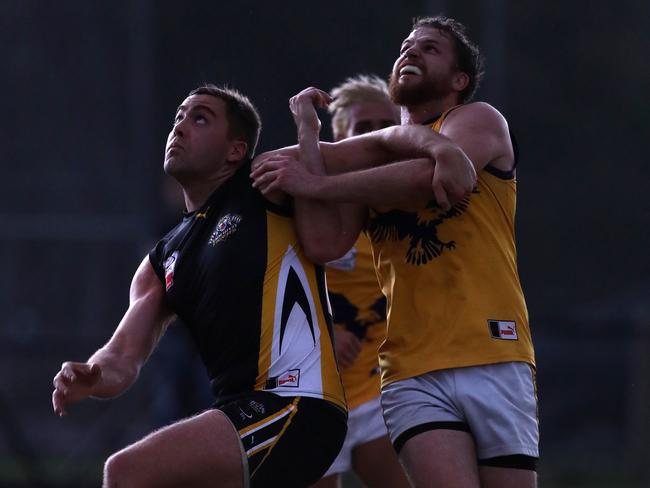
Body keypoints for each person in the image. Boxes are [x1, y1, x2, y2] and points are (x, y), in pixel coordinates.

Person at [252, 15, 539, 488]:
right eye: (407, 46)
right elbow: (324, 243)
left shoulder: (479, 120)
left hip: (493, 350)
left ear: (459, 80)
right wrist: (307, 133)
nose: (411, 52)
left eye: (430, 49)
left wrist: (316, 178)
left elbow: (430, 181)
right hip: (410, 368)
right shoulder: (373, 164)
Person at [51, 84, 348, 488]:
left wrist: (439, 147)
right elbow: (122, 357)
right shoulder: (162, 260)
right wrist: (93, 373)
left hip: (295, 404)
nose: (180, 127)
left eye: (200, 118)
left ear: (235, 151)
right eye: (178, 117)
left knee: (125, 473)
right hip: (246, 416)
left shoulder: (267, 179)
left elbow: (375, 148)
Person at [311, 75, 408, 488]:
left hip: (378, 393)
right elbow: (274, 286)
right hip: (314, 395)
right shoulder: (314, 205)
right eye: (362, 129)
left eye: (385, 126)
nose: (375, 138)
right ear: (339, 139)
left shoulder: (414, 201)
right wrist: (323, 329)